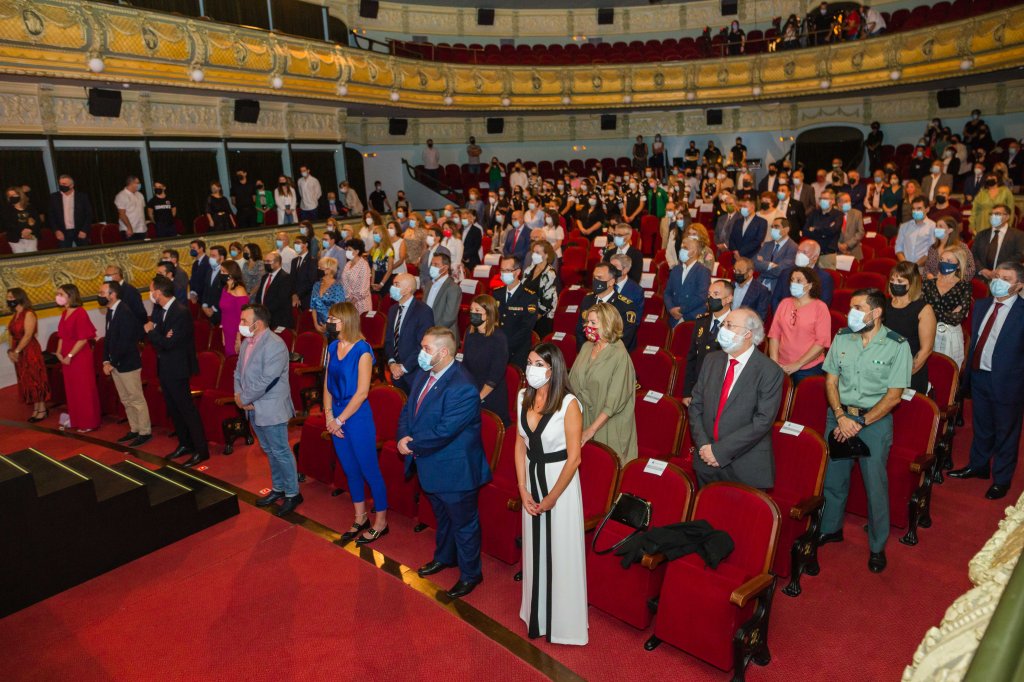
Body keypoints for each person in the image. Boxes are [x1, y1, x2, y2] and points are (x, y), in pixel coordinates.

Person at [818, 288, 913, 573]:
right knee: (833, 479)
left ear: (876, 312)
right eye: (851, 307)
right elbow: (830, 381)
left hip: (874, 421)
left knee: (875, 486)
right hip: (839, 417)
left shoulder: (897, 346)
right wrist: (840, 415)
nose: (852, 313)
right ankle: (831, 528)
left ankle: (877, 545)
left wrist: (859, 423)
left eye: (858, 308)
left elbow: (894, 397)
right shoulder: (842, 337)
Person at [400, 327, 492, 598]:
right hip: (430, 464)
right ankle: (445, 557)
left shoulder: (463, 386)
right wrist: (403, 435)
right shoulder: (424, 373)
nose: (421, 353)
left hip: (455, 471)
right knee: (443, 518)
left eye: (426, 349)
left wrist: (410, 445)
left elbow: (444, 431)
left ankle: (471, 574)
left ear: (443, 352)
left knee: (464, 525)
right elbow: (408, 409)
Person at [516, 343, 587, 645]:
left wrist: (552, 498)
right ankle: (536, 613)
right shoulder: (523, 396)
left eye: (538, 364)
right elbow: (520, 444)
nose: (530, 369)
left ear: (553, 369)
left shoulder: (569, 404)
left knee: (560, 549)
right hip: (531, 479)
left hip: (560, 483)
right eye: (529, 362)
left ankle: (563, 623)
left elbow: (574, 458)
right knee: (534, 548)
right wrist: (522, 488)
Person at [948, 263, 1024, 500]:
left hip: (1009, 383)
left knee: (1006, 432)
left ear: (1018, 286)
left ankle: (1002, 479)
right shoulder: (981, 305)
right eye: (997, 276)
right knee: (981, 426)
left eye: (1006, 279)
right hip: (979, 375)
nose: (998, 281)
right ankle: (978, 466)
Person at [688, 307, 782, 488]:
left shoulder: (769, 371)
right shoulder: (711, 360)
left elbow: (762, 421)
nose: (723, 329)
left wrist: (719, 452)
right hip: (706, 461)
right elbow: (696, 406)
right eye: (723, 324)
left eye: (730, 325)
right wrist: (704, 447)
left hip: (745, 466)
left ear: (748, 334)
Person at [319, 302, 392, 537]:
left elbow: (362, 393)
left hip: (356, 415)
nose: (328, 322)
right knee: (350, 469)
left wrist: (339, 420)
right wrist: (329, 415)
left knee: (369, 469)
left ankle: (381, 522)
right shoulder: (332, 346)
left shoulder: (363, 350)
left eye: (333, 319)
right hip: (336, 413)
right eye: (329, 318)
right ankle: (360, 517)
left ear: (346, 321)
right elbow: (327, 383)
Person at [233, 304, 301, 515]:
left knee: (280, 451)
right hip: (252, 406)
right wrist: (238, 396)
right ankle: (279, 488)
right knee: (269, 450)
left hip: (271, 407)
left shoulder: (275, 344)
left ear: (258, 323)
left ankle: (293, 493)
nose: (241, 324)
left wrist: (244, 398)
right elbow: (238, 372)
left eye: (244, 321)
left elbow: (267, 380)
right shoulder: (247, 342)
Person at [147, 275, 209, 466]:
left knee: (186, 409)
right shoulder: (160, 310)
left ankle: (201, 450)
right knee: (173, 409)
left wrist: (152, 332)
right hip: (165, 367)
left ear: (158, 293)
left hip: (178, 367)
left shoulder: (180, 312)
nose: (150, 293)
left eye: (151, 290)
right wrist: (159, 335)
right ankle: (185, 443)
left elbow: (168, 343)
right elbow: (162, 340)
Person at [569, 303, 637, 465]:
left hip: (608, 425)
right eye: (587, 322)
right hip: (583, 418)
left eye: (593, 323)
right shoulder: (586, 347)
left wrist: (591, 430)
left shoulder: (620, 355)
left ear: (608, 324)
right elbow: (572, 382)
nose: (588, 326)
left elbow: (613, 403)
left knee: (603, 469)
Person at [98, 280, 151, 446]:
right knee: (126, 400)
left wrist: (112, 362)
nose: (99, 296)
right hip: (115, 364)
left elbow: (126, 342)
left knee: (136, 399)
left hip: (128, 364)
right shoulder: (111, 311)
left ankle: (145, 432)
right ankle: (134, 428)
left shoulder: (125, 312)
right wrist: (106, 360)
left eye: (102, 293)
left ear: (113, 295)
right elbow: (109, 339)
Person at [768, 267, 832, 383]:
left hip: (808, 367)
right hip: (781, 364)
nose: (794, 283)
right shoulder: (784, 303)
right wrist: (774, 362)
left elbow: (821, 342)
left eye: (799, 280)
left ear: (810, 285)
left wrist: (798, 364)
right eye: (792, 280)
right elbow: (774, 334)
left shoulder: (820, 307)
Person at [884, 262, 936, 394]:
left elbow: (926, 351)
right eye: (892, 280)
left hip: (910, 374)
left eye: (900, 281)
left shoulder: (923, 309)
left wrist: (902, 376)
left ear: (912, 284)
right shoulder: (884, 305)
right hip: (883, 369)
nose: (894, 283)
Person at [55, 284, 100, 433]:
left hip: (79, 357)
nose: (58, 297)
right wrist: (58, 352)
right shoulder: (64, 313)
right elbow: (62, 336)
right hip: (66, 358)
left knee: (83, 389)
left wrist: (69, 355)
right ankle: (76, 419)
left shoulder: (80, 313)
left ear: (70, 296)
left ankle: (88, 422)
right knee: (72, 389)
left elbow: (83, 339)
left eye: (61, 294)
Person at [682, 280, 733, 405]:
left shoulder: (735, 325)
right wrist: (687, 392)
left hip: (720, 392)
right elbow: (692, 358)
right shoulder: (702, 321)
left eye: (716, 294)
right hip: (698, 389)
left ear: (728, 298)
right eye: (709, 294)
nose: (711, 298)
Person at [463, 295, 511, 425]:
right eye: (471, 310)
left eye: (477, 311)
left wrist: (479, 397)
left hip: (490, 394)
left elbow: (495, 376)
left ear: (489, 314)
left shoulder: (498, 338)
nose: (473, 313)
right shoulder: (469, 332)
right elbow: (465, 365)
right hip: (472, 388)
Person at [385, 273, 435, 394]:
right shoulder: (392, 310)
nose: (392, 287)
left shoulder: (424, 311)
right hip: (395, 371)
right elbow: (389, 340)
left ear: (407, 289)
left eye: (397, 284)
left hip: (415, 371)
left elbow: (423, 345)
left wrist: (403, 368)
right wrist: (392, 363)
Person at [5, 288, 49, 422]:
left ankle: (42, 409)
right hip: (18, 350)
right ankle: (36, 408)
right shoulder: (16, 314)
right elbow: (11, 334)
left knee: (36, 378)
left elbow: (28, 335)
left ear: (19, 297)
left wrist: (17, 351)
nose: (9, 300)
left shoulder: (28, 313)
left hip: (29, 350)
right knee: (27, 380)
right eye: (8, 298)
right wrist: (10, 351)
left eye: (11, 297)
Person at [923, 247, 971, 368]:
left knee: (946, 371)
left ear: (958, 265)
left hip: (950, 336)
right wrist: (948, 313)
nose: (944, 263)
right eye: (942, 259)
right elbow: (919, 310)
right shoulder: (928, 283)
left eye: (949, 261)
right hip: (926, 331)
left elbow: (956, 318)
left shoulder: (964, 286)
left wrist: (930, 312)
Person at [575, 262, 638, 351]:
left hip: (612, 355)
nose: (595, 281)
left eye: (599, 278)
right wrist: (586, 352)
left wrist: (600, 353)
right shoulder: (587, 300)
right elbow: (580, 330)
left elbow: (624, 339)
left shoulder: (625, 306)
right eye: (594, 277)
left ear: (611, 282)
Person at [493, 256, 540, 368]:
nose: (504, 273)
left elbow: (526, 328)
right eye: (502, 270)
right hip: (497, 348)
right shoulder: (497, 293)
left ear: (518, 272)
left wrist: (506, 345)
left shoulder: (529, 297)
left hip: (517, 352)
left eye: (508, 270)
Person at [663, 235, 711, 326]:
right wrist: (671, 309)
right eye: (681, 247)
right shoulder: (676, 269)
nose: (681, 250)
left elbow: (701, 297)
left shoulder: (703, 271)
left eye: (685, 248)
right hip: (674, 317)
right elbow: (667, 292)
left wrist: (681, 310)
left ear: (694, 252)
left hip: (692, 319)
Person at [771, 240, 835, 309]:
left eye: (804, 252)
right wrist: (780, 314)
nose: (799, 254)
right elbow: (775, 299)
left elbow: (822, 306)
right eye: (798, 251)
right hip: (784, 313)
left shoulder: (824, 278)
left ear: (815, 257)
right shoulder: (786, 273)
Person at [972, 205, 1024, 281]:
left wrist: (1000, 270)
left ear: (1007, 217)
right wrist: (983, 270)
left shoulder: (1018, 235)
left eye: (997, 214)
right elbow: (973, 254)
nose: (993, 216)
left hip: (1005, 278)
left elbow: (1019, 255)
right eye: (991, 214)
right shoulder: (981, 234)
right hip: (981, 277)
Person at [523, 241, 559, 339]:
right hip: (527, 313)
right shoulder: (529, 269)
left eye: (537, 253)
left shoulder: (550, 273)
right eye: (533, 252)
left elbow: (548, 303)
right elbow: (522, 289)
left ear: (546, 255)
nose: (534, 255)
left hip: (541, 317)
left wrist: (532, 319)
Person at [47, 174, 93, 247]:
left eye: (64, 184)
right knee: (64, 252)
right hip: (63, 232)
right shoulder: (54, 197)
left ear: (71, 185)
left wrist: (84, 230)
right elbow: (51, 216)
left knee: (85, 251)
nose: (61, 186)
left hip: (80, 231)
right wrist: (56, 230)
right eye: (60, 184)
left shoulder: (82, 197)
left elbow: (89, 214)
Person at [252, 251, 293, 332]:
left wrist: (264, 312)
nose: (265, 264)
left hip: (278, 320)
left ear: (277, 263)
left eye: (268, 261)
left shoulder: (286, 278)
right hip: (264, 319)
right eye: (264, 261)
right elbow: (259, 296)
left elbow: (281, 300)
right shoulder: (265, 277)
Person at [215, 260, 249, 356]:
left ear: (231, 273)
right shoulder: (225, 288)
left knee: (235, 357)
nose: (221, 274)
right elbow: (223, 312)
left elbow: (243, 315)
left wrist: (239, 337)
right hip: (226, 328)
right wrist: (223, 330)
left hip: (236, 330)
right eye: (220, 271)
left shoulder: (239, 290)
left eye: (223, 271)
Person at [755, 217, 798, 291]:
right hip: (760, 282)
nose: (773, 229)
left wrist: (763, 265)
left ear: (786, 229)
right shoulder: (767, 244)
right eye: (772, 227)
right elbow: (756, 264)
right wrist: (770, 265)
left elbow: (780, 271)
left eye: (776, 227)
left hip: (778, 286)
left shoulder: (793, 247)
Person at [425, 252, 460, 337]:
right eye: (431, 264)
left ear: (445, 268)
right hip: (427, 331)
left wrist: (433, 332)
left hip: (443, 334)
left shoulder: (453, 288)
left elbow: (449, 318)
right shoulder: (429, 284)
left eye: (436, 265)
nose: (432, 267)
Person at [894, 198, 936, 266]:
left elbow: (931, 250)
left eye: (919, 208)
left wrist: (915, 266)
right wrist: (905, 264)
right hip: (905, 266)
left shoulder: (933, 226)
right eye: (913, 209)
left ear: (927, 209)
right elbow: (898, 247)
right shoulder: (904, 226)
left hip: (923, 267)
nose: (915, 211)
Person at [310, 257, 346, 335]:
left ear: (329, 270)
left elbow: (340, 310)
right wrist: (316, 324)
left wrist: (328, 326)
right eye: (318, 267)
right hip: (318, 326)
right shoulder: (316, 285)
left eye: (321, 268)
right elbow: (313, 307)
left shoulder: (338, 286)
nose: (318, 269)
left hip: (333, 327)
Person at [730, 257, 771, 322]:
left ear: (750, 272)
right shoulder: (730, 285)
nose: (736, 273)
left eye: (739, 271)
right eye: (735, 270)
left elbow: (760, 317)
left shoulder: (761, 290)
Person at [340, 239, 372, 315]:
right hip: (347, 302)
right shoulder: (348, 264)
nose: (347, 251)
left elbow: (363, 290)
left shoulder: (364, 265)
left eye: (349, 249)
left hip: (360, 304)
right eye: (346, 249)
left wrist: (351, 303)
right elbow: (343, 282)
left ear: (357, 251)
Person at [114, 176, 147, 240]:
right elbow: (122, 214)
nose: (139, 185)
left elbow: (141, 211)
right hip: (129, 230)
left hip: (142, 229)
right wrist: (129, 228)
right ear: (131, 183)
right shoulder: (121, 195)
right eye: (137, 183)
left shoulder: (140, 195)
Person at [836, 191, 865, 260]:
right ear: (839, 204)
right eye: (846, 201)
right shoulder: (833, 214)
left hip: (854, 251)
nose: (849, 203)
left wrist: (847, 245)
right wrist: (839, 245)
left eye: (849, 201)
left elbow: (860, 232)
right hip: (837, 251)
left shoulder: (857, 214)